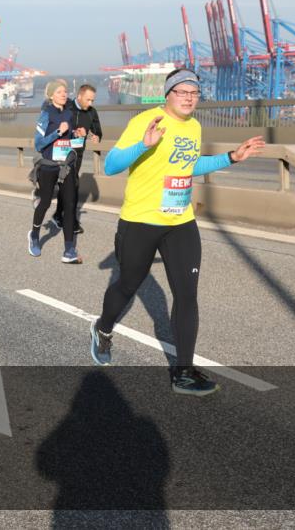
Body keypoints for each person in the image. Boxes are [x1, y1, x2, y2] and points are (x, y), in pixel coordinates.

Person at [89, 68, 265, 396]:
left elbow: (189, 165)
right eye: (182, 92)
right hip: (140, 221)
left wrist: (231, 157)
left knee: (186, 295)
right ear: (167, 94)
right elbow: (111, 166)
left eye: (194, 93)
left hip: (180, 221)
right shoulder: (146, 121)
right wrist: (143, 145)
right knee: (128, 285)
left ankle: (183, 372)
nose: (188, 98)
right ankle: (103, 328)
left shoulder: (194, 126)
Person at [28, 80, 82, 263]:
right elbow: (38, 144)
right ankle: (34, 236)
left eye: (65, 91)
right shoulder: (46, 114)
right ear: (51, 95)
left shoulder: (69, 113)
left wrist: (77, 135)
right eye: (59, 92)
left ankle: (69, 249)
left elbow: (69, 138)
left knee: (69, 205)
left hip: (65, 166)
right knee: (44, 203)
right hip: (48, 166)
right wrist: (58, 132)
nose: (64, 94)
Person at [53, 83, 102, 235]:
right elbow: (53, 125)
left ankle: (58, 215)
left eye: (92, 100)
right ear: (79, 96)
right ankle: (72, 222)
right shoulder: (66, 106)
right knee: (71, 186)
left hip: (77, 155)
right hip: (62, 153)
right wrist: (73, 132)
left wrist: (96, 136)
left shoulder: (92, 112)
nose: (90, 103)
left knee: (68, 186)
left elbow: (98, 131)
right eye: (88, 100)